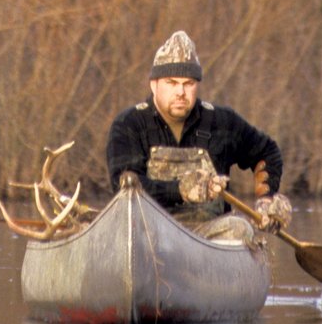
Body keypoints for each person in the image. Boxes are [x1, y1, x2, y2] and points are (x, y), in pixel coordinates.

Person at [106, 30, 292, 235]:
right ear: (154, 84)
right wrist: (182, 190)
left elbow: (268, 151)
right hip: (148, 232)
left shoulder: (222, 122)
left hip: (210, 236)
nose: (180, 92)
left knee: (241, 229)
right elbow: (125, 187)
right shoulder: (129, 124)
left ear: (197, 85)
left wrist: (266, 199)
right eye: (171, 83)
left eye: (188, 84)